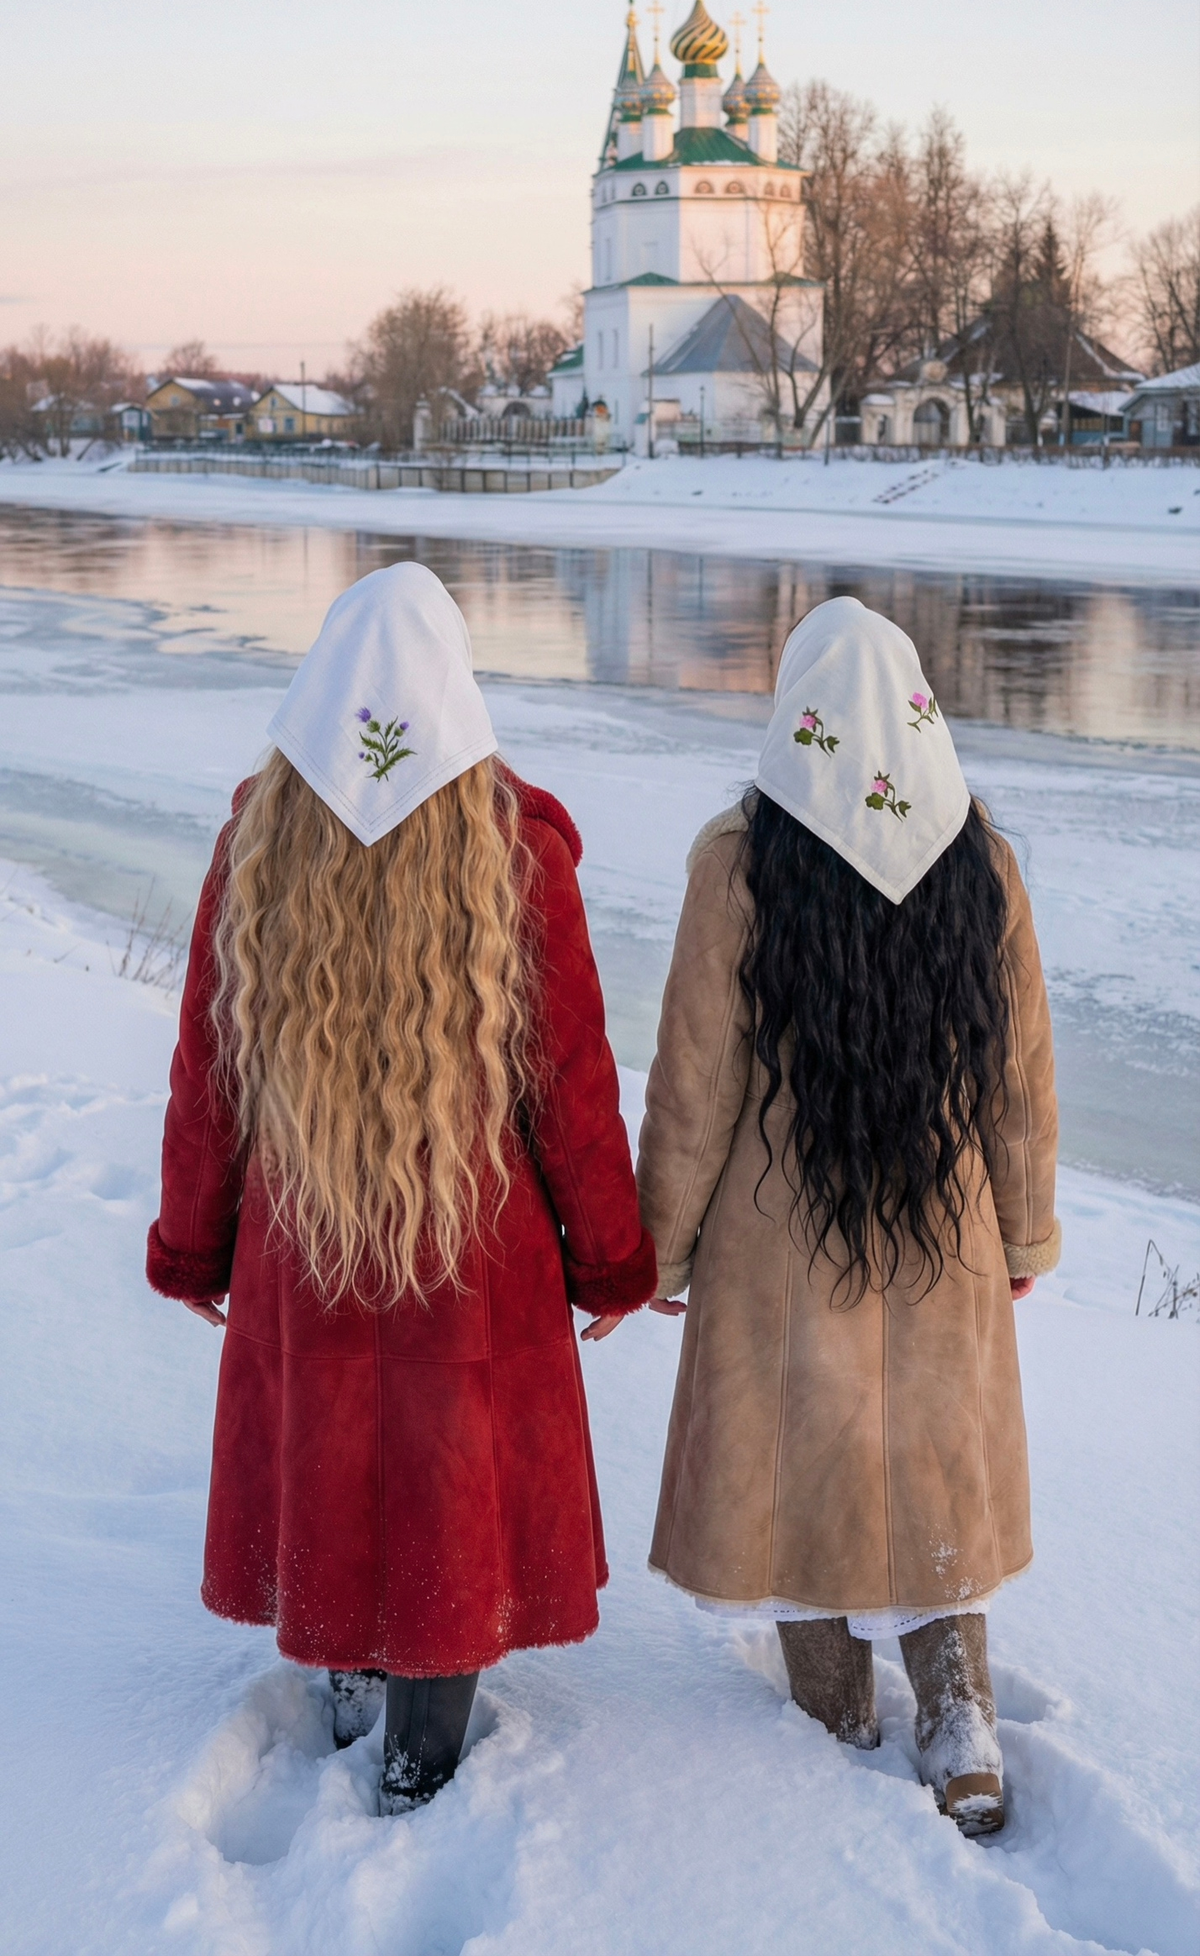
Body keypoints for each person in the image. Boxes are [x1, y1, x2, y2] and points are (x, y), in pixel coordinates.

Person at [146, 562, 655, 1814]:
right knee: (447, 1495)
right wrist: (609, 1262)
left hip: (307, 1240)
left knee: (338, 1465)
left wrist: (195, 1244)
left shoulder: (259, 840)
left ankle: (353, 1692)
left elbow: (208, 1079)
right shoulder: (513, 846)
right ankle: (420, 1768)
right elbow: (574, 1086)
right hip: (471, 1255)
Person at [622, 596, 1059, 1838]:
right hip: (943, 1234)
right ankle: (961, 1731)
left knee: (801, 1476)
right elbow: (1021, 1078)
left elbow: (695, 1083)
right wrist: (1022, 1232)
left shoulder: (740, 858)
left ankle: (834, 1726)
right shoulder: (980, 856)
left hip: (780, 1239)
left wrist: (660, 1250)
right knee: (934, 1468)